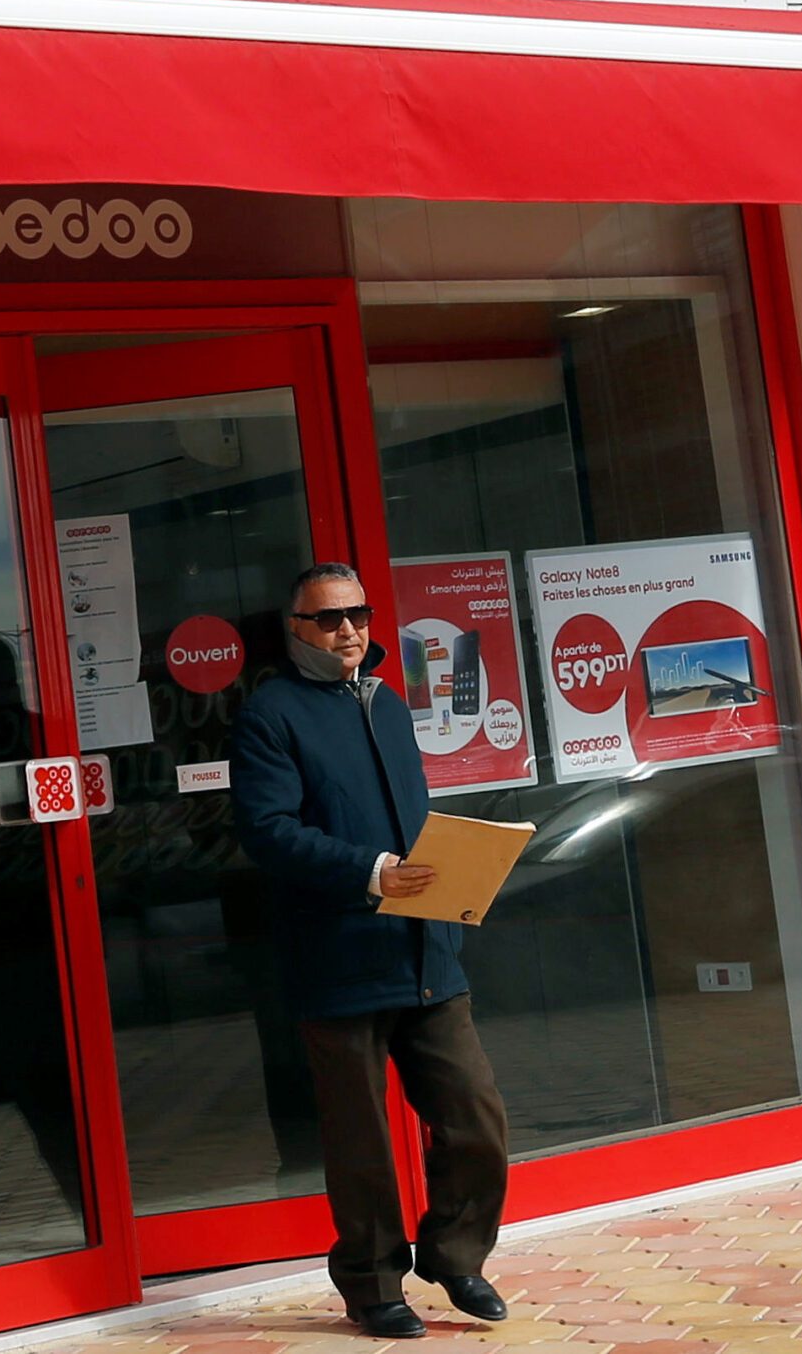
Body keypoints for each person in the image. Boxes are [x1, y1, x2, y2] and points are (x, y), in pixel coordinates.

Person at [230, 562, 511, 1339]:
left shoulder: (388, 704)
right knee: (361, 1142)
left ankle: (455, 1256)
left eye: (356, 613)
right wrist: (371, 871)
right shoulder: (271, 716)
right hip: (338, 955)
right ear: (296, 630)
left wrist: (451, 881)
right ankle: (372, 1285)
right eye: (327, 619)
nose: (347, 629)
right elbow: (267, 831)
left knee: (475, 1113)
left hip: (426, 951)